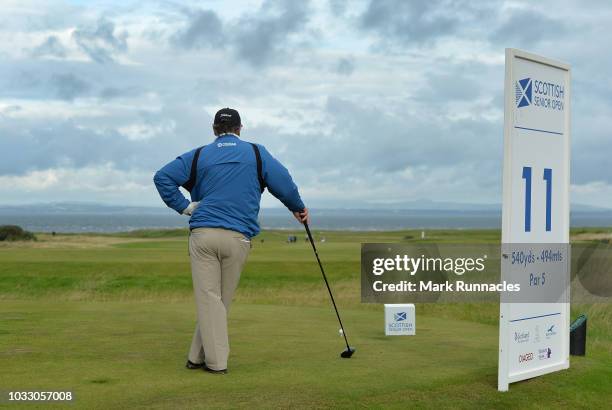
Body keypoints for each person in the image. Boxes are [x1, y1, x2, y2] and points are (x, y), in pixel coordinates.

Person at [153, 107, 308, 374]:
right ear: (240, 128)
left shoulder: (199, 155)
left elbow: (162, 177)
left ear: (214, 129)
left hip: (203, 236)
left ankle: (197, 357)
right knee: (218, 300)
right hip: (238, 238)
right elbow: (284, 182)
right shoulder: (257, 153)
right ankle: (216, 363)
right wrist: (297, 207)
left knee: (210, 299)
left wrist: (185, 207)